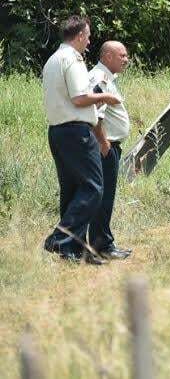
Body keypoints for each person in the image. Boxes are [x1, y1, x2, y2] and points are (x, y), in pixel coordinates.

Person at [41, 16, 121, 264]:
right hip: (76, 132)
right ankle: (59, 239)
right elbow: (79, 98)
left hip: (57, 132)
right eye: (87, 36)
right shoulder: (73, 60)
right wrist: (105, 97)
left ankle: (72, 251)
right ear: (78, 36)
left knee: (72, 189)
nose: (89, 41)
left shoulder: (53, 60)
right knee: (93, 188)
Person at [87, 41, 133, 260]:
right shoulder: (100, 79)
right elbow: (94, 112)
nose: (126, 59)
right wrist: (104, 143)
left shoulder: (107, 78)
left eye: (126, 55)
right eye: (121, 55)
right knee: (104, 197)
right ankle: (102, 245)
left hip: (109, 146)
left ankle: (102, 242)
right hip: (105, 147)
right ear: (106, 57)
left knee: (105, 195)